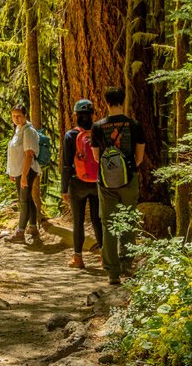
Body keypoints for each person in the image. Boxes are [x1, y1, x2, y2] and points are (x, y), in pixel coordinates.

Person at [91, 87, 145, 285]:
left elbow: (97, 157)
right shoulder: (134, 125)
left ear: (106, 102)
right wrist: (126, 169)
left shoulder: (97, 127)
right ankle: (127, 265)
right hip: (129, 179)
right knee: (128, 221)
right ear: (123, 101)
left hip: (105, 181)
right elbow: (139, 157)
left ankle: (112, 273)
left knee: (108, 224)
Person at [61, 98, 103, 269]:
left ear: (76, 115)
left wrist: (64, 188)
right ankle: (103, 257)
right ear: (92, 114)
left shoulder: (71, 135)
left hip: (77, 183)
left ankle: (78, 258)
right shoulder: (99, 133)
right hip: (97, 182)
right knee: (97, 220)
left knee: (78, 221)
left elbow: (65, 164)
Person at [5, 103, 41, 243]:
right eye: (14, 116)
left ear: (25, 115)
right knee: (26, 199)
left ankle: (20, 233)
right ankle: (33, 227)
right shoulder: (18, 130)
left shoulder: (28, 131)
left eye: (19, 115)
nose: (16, 118)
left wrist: (24, 176)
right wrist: (12, 172)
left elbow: (29, 155)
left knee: (23, 201)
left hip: (27, 170)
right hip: (19, 170)